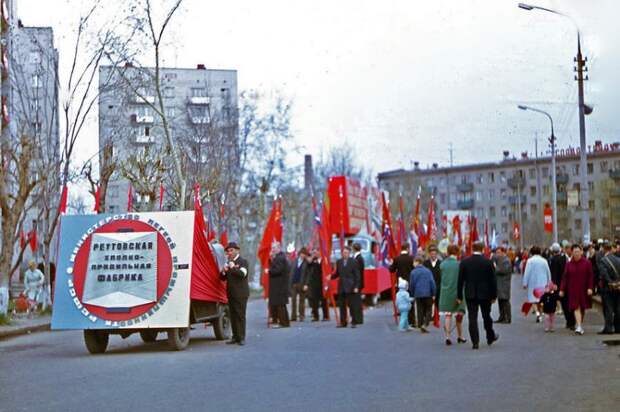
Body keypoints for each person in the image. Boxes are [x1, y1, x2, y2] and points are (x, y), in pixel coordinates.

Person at [457, 242, 499, 350]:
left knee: (472, 318)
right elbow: (493, 280)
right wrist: (494, 295)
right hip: (485, 293)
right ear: (483, 249)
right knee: (486, 316)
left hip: (470, 293)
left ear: (472, 248)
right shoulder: (488, 262)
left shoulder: (465, 262)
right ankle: (490, 336)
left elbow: (460, 280)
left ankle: (475, 341)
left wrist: (459, 296)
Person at [560, 244, 594, 335]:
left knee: (582, 308)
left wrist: (590, 287)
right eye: (575, 252)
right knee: (576, 307)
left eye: (578, 251)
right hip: (572, 290)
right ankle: (579, 326)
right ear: (572, 252)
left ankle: (579, 324)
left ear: (581, 252)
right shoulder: (568, 264)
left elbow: (591, 276)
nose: (576, 253)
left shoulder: (587, 263)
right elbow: (565, 278)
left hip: (584, 289)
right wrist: (562, 289)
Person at [221, 242, 249, 345]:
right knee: (232, 315)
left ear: (237, 250)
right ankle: (235, 336)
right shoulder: (228, 262)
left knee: (240, 315)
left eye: (231, 250)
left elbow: (242, 274)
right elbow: (222, 278)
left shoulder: (243, 261)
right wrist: (223, 271)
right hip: (231, 293)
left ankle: (241, 337)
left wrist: (233, 267)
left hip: (241, 294)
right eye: (228, 251)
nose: (230, 253)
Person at [438, 245, 466, 345]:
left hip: (445, 292)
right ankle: (460, 336)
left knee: (448, 315)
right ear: (457, 252)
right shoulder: (460, 264)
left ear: (448, 252)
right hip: (458, 292)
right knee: (459, 315)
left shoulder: (442, 264)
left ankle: (447, 336)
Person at [331, 246, 361, 328]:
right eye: (343, 253)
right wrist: (330, 277)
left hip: (350, 286)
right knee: (342, 305)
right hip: (341, 287)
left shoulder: (354, 262)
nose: (345, 254)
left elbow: (357, 275)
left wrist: (356, 286)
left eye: (346, 253)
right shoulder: (339, 262)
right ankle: (343, 322)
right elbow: (337, 273)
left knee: (352, 305)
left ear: (349, 253)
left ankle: (354, 321)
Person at [522, 246, 552, 323]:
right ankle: (541, 314)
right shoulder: (544, 260)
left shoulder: (530, 261)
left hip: (533, 283)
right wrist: (549, 281)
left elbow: (527, 272)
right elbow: (548, 271)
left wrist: (525, 283)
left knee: (533, 300)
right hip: (543, 282)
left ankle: (537, 314)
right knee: (541, 300)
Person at [549, 242, 574, 329]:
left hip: (574, 285)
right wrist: (554, 283)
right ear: (566, 250)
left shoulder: (576, 259)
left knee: (573, 303)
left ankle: (573, 321)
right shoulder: (559, 259)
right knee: (565, 303)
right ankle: (569, 320)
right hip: (562, 285)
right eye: (570, 249)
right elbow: (555, 273)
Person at [390, 243, 415, 326]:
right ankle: (412, 320)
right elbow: (414, 270)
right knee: (410, 301)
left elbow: (391, 270)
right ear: (407, 248)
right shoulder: (411, 258)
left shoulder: (397, 259)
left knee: (401, 301)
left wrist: (391, 264)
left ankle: (403, 319)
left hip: (400, 283)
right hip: (410, 282)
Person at [597, 243, 620, 334]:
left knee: (608, 308)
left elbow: (604, 274)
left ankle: (608, 328)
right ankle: (618, 328)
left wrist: (610, 282)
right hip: (618, 287)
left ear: (604, 250)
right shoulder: (618, 259)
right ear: (611, 249)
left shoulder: (603, 261)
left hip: (608, 288)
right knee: (618, 308)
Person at [409, 257, 436, 333]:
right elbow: (432, 282)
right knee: (429, 309)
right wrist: (434, 293)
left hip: (418, 293)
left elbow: (412, 284)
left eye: (414, 262)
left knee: (419, 309)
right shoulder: (428, 271)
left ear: (417, 262)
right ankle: (425, 324)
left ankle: (420, 325)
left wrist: (412, 293)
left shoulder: (413, 272)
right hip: (428, 293)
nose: (413, 264)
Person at [268, 242, 291, 328]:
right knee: (281, 305)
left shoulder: (279, 258)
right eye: (272, 248)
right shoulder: (280, 257)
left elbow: (278, 270)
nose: (272, 250)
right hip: (280, 285)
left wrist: (269, 271)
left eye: (274, 248)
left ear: (279, 248)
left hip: (279, 286)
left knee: (280, 305)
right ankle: (285, 322)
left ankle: (283, 323)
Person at [306, 249, 329, 322]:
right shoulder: (313, 261)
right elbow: (308, 266)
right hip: (314, 283)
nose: (315, 254)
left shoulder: (324, 260)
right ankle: (316, 316)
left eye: (316, 252)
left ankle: (326, 316)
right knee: (314, 301)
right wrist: (311, 258)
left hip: (322, 283)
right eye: (314, 253)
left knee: (324, 300)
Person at [493, 246, 513, 324]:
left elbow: (503, 271)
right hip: (499, 283)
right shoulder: (499, 260)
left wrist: (495, 267)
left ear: (503, 252)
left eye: (498, 253)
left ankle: (508, 318)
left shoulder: (506, 260)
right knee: (500, 301)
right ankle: (501, 317)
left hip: (504, 283)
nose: (497, 254)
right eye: (496, 253)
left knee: (505, 301)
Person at [290, 247, 309, 322]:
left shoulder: (306, 263)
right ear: (299, 254)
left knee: (302, 301)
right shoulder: (294, 261)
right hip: (294, 283)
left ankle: (301, 315)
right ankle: (293, 316)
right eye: (302, 254)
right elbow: (291, 272)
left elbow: (308, 275)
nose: (302, 255)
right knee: (293, 300)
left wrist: (306, 284)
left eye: (304, 254)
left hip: (302, 284)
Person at [424, 245, 442, 312]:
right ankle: (430, 317)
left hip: (438, 287)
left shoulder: (441, 263)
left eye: (434, 254)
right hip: (428, 287)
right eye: (431, 254)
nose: (433, 255)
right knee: (429, 304)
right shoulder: (425, 263)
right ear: (429, 254)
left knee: (438, 304)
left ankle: (437, 317)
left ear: (437, 254)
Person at [352, 242, 365, 325]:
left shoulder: (358, 258)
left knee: (357, 301)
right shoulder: (358, 258)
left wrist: (357, 283)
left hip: (358, 282)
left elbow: (358, 272)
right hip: (358, 282)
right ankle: (357, 318)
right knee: (356, 301)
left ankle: (358, 319)